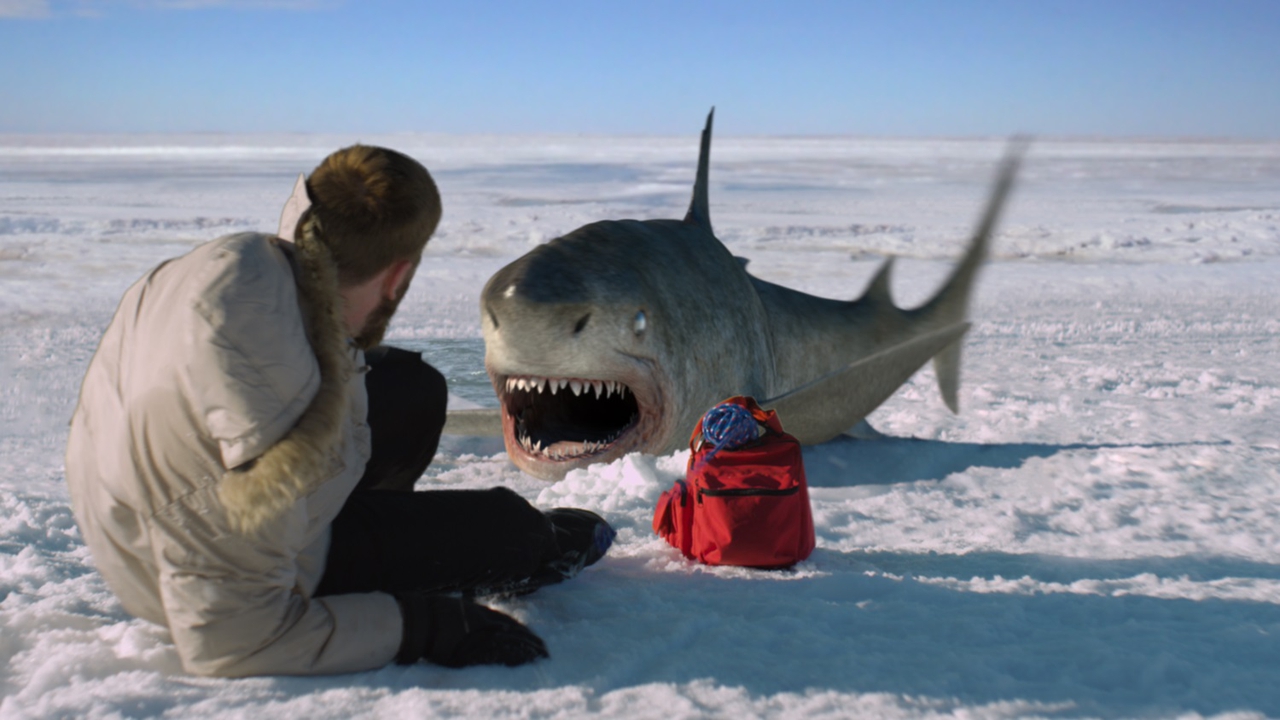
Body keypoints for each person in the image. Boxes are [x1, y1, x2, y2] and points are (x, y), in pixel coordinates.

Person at [64, 144, 614, 677]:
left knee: (411, 386)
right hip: (186, 566)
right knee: (506, 531)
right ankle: (511, 547)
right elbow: (230, 640)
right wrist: (423, 626)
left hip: (133, 512)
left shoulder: (245, 262)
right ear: (397, 275)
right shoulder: (280, 406)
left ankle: (376, 539)